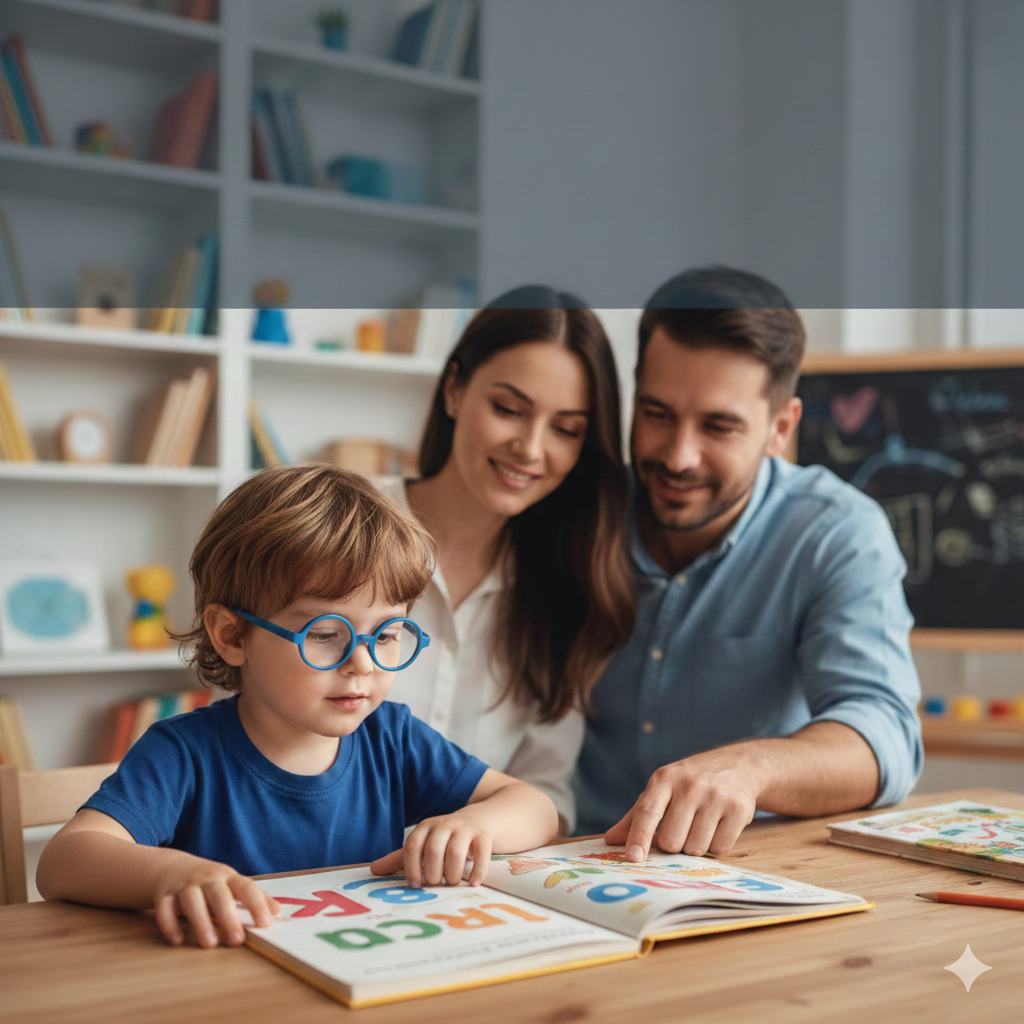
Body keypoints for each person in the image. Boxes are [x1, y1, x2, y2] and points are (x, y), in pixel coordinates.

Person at [36, 466, 558, 948]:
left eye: (389, 632)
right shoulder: (184, 753)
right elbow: (63, 861)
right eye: (326, 633)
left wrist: (477, 825)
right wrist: (166, 875)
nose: (363, 662)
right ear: (233, 634)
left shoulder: (391, 738)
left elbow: (535, 807)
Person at [573, 266, 923, 861]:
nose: (679, 456)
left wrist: (754, 765)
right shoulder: (578, 509)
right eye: (656, 413)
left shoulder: (836, 533)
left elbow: (883, 733)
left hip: (734, 871)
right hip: (561, 858)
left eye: (719, 426)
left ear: (780, 427)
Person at [381, 287, 635, 833]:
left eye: (566, 429)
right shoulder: (338, 532)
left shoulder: (564, 591)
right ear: (454, 390)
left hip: (465, 889)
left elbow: (547, 792)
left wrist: (476, 831)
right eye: (509, 409)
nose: (531, 448)